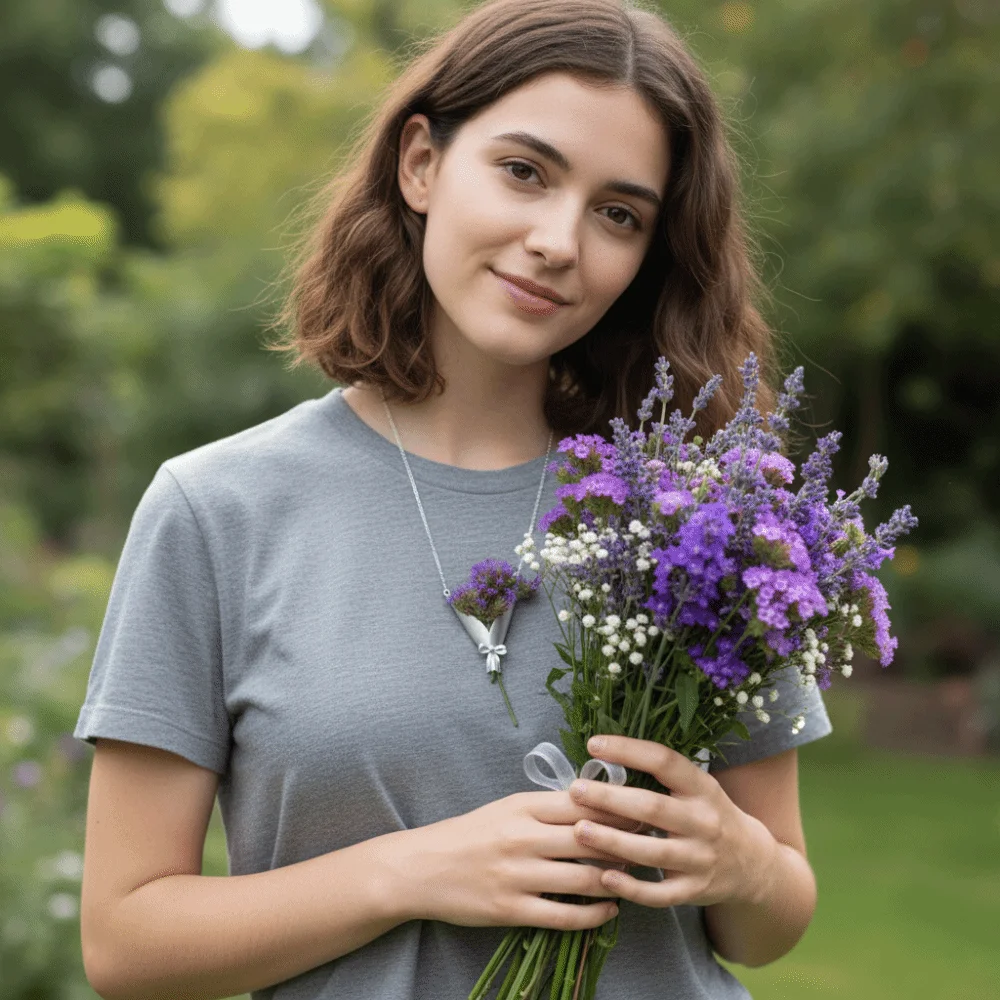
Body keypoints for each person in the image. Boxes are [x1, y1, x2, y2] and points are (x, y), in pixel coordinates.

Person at [73, 0, 833, 997]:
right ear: (421, 162)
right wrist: (412, 872)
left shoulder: (700, 520)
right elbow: (125, 942)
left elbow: (769, 914)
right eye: (524, 172)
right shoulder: (217, 510)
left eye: (619, 213)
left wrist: (736, 860)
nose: (559, 240)